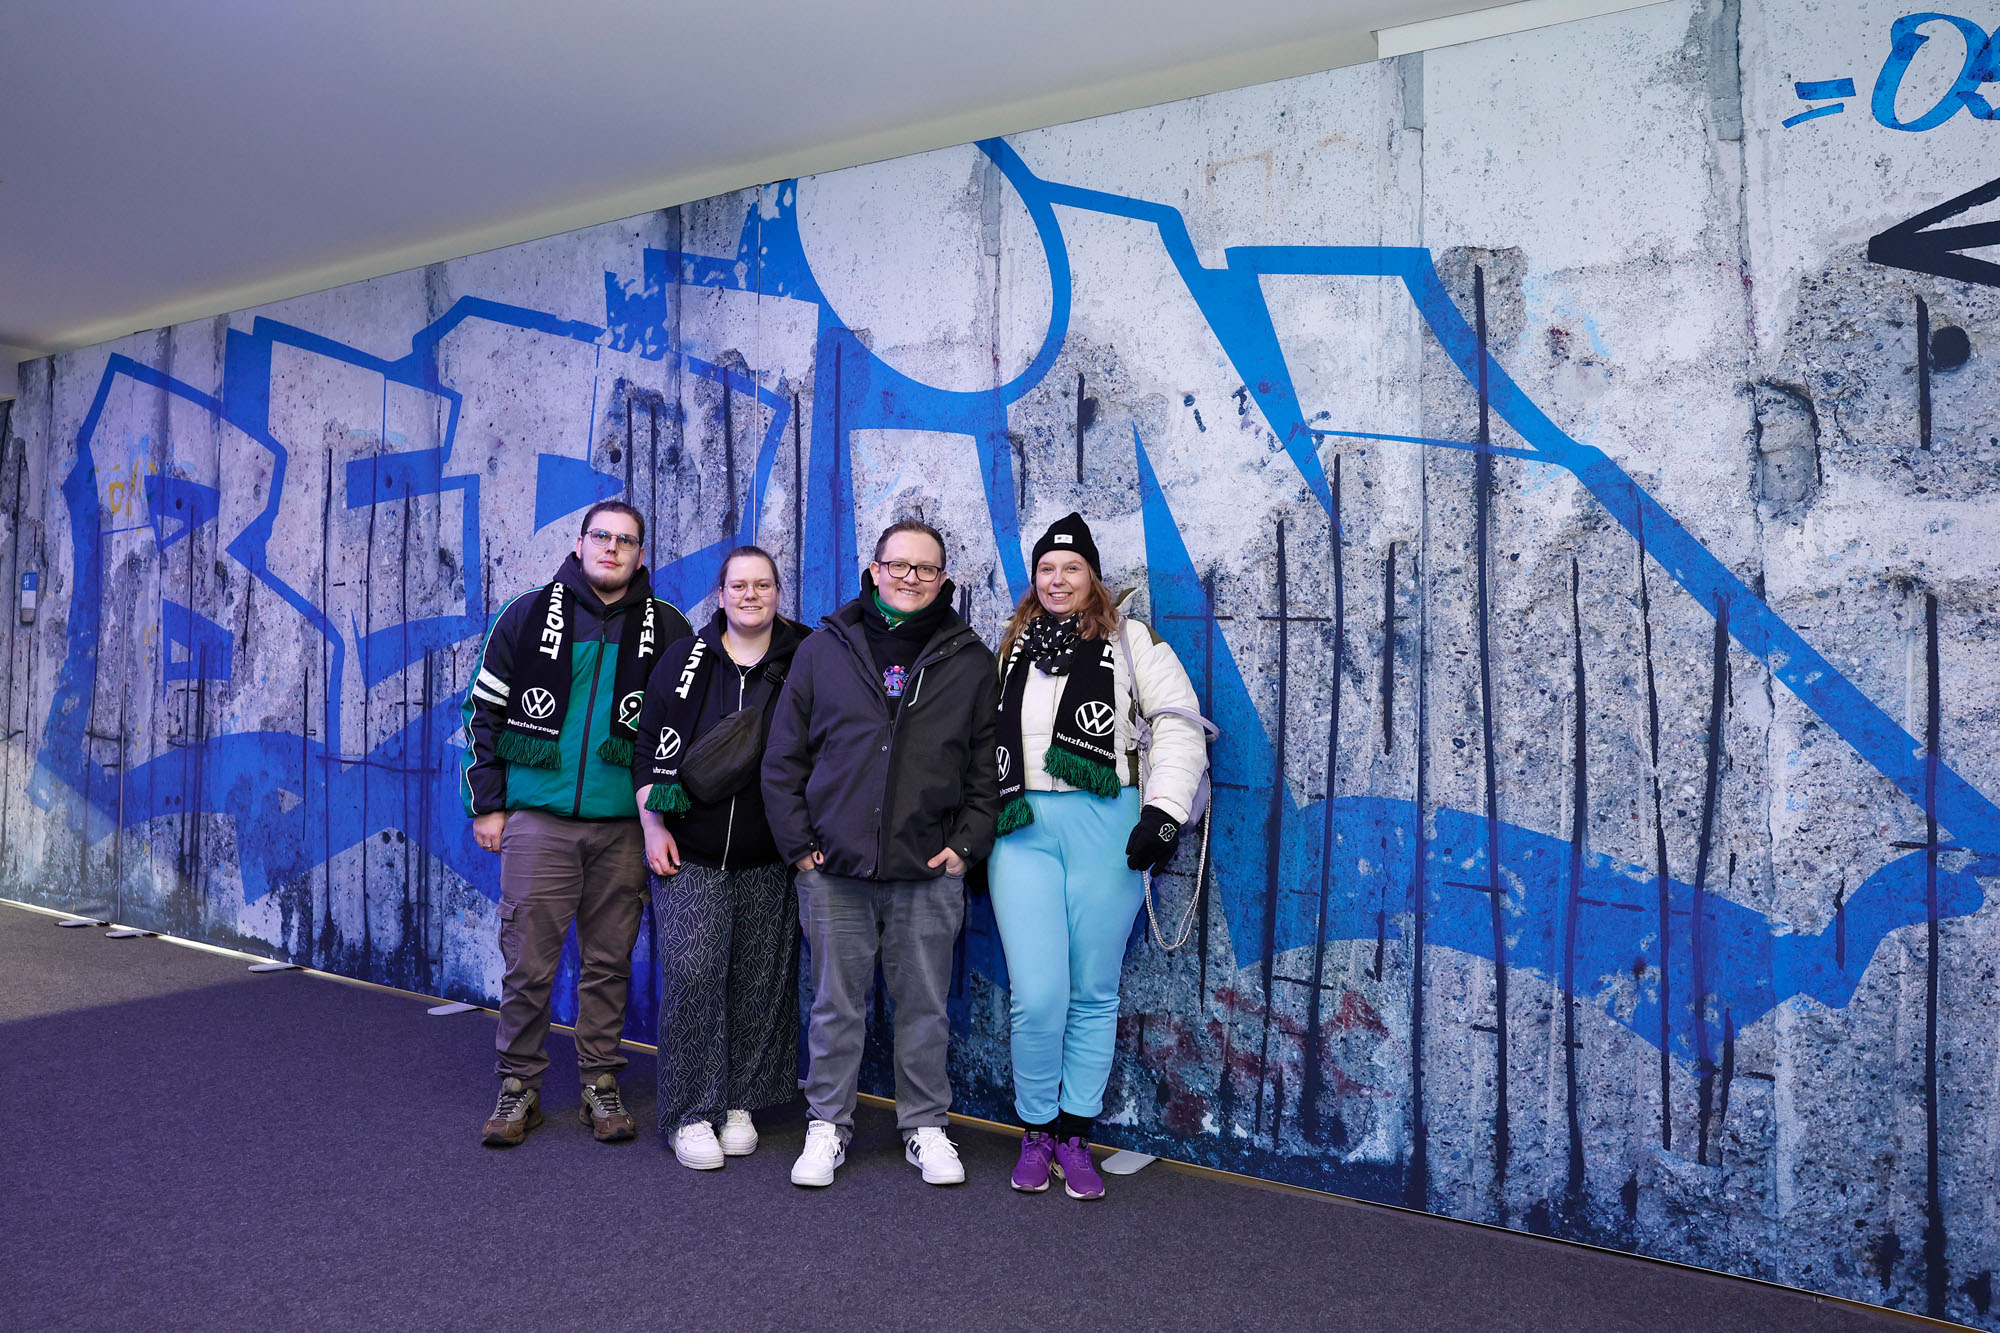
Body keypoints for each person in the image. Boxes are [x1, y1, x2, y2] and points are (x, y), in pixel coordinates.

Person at [761, 519, 1001, 1187]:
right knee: (835, 1003)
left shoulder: (971, 660)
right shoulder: (824, 649)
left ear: (944, 580)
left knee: (924, 1005)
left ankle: (925, 1124)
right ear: (873, 569)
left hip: (927, 871)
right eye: (898, 565)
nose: (910, 578)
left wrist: (963, 847)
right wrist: (802, 847)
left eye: (925, 569)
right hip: (833, 870)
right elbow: (783, 758)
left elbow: (988, 774)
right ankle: (826, 1125)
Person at [988, 512, 1207, 1199]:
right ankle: (1035, 1128)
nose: (1058, 578)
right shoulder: (1011, 645)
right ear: (1034, 579)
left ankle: (1074, 1134)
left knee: (1092, 990)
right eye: (1046, 569)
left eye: (1071, 567)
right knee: (1039, 992)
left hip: (1106, 826)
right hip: (1021, 829)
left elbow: (1177, 722)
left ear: (1092, 575)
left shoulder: (1132, 640)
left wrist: (1163, 813)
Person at [462, 500, 691, 1148]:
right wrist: (488, 802)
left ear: (641, 554)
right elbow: (482, 711)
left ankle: (600, 1083)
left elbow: (684, 727)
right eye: (602, 537)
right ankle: (518, 1086)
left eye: (626, 540)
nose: (612, 549)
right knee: (528, 963)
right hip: (540, 820)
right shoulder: (528, 614)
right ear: (581, 542)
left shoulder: (668, 627)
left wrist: (667, 817)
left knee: (608, 962)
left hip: (624, 825)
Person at [632, 546, 807, 1170]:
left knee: (760, 979)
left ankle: (738, 1102)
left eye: (763, 585)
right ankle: (689, 1112)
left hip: (772, 852)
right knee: (694, 976)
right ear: (722, 593)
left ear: (779, 593)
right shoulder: (684, 659)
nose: (751, 595)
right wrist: (653, 827)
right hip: (692, 847)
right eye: (739, 585)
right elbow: (648, 741)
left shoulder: (806, 658)